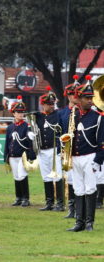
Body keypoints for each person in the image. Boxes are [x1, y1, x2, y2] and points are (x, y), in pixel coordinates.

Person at [67, 75, 104, 232]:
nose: (89, 100)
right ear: (79, 98)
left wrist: (97, 160)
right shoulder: (73, 115)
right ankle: (79, 222)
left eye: (91, 97)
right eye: (86, 98)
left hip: (90, 157)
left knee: (90, 188)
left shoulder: (98, 118)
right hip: (75, 157)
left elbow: (102, 143)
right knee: (78, 188)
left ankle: (89, 222)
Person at [30, 86, 64, 211]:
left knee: (57, 175)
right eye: (48, 104)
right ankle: (49, 202)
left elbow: (62, 130)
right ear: (42, 104)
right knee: (46, 176)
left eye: (52, 104)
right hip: (42, 150)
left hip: (54, 149)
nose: (51, 106)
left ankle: (60, 203)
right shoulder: (38, 116)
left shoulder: (58, 115)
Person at [4, 96, 35, 207]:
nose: (21, 114)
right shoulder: (10, 127)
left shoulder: (27, 126)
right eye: (18, 112)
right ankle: (19, 197)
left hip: (23, 155)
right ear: (13, 113)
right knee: (16, 176)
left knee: (22, 175)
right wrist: (6, 157)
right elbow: (7, 143)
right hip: (12, 155)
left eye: (22, 112)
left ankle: (26, 198)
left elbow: (29, 139)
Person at [58, 75, 80, 218]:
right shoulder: (62, 113)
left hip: (80, 149)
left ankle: (80, 208)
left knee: (80, 180)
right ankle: (71, 208)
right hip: (67, 149)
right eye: (71, 94)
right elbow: (60, 131)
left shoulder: (82, 111)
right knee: (70, 179)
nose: (74, 96)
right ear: (68, 95)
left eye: (76, 93)